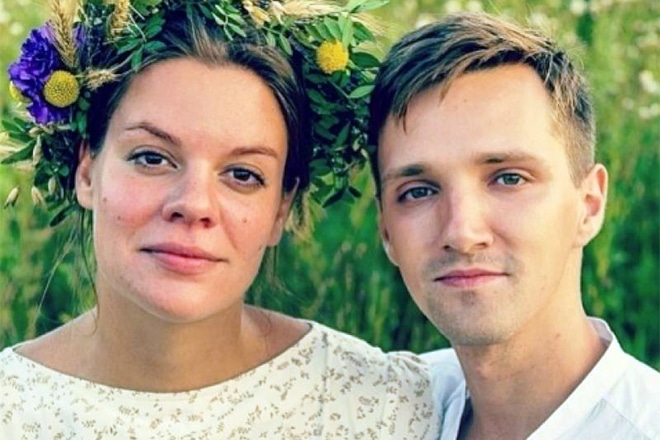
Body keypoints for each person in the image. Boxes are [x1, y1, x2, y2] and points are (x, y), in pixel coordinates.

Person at [0, 1, 440, 438]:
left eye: (243, 174)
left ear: (281, 208)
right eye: (152, 158)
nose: (195, 205)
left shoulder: (381, 409)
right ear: (86, 171)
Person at [368, 11, 660, 440]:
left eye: (509, 178)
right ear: (386, 232)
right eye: (419, 191)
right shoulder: (379, 411)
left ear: (589, 204)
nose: (462, 233)